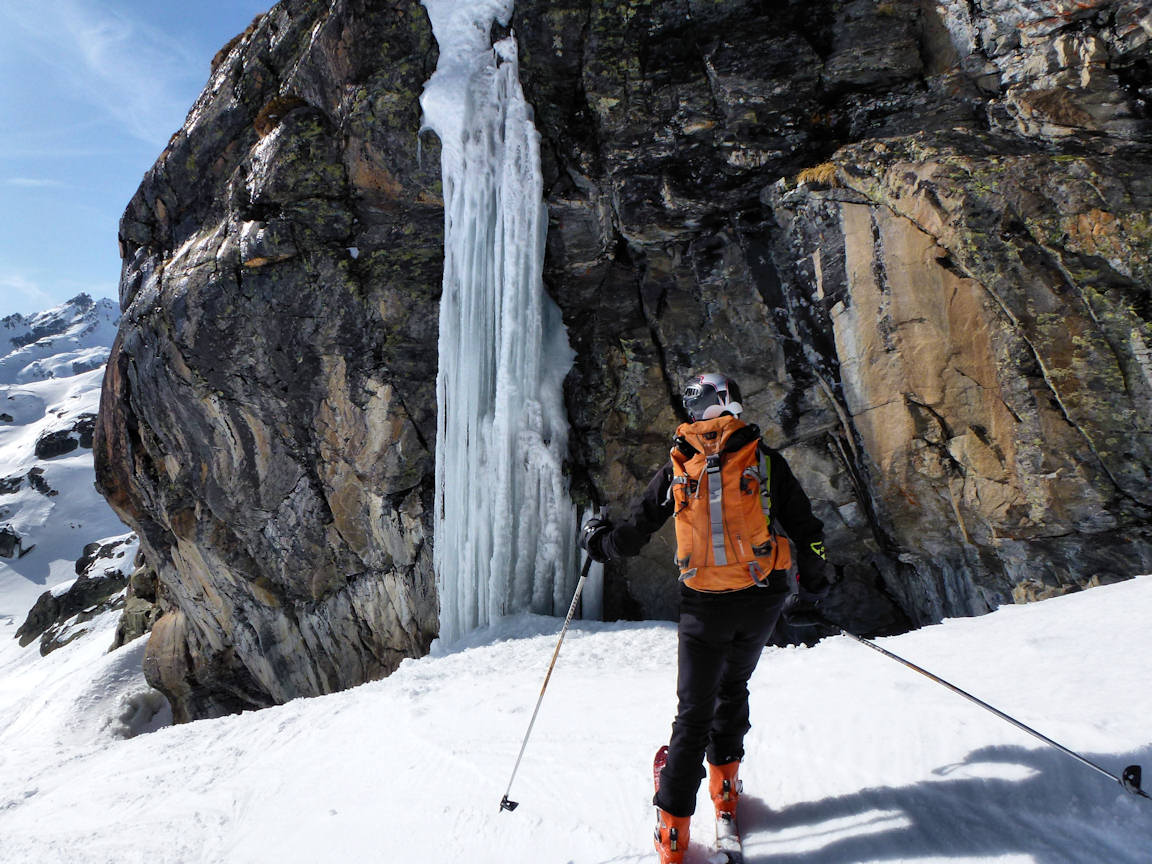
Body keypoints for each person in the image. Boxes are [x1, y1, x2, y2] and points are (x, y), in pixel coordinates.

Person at [579, 372, 832, 864]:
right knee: (733, 690)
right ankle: (726, 795)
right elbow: (808, 531)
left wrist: (598, 541)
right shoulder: (764, 461)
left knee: (692, 714)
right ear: (733, 404)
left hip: (702, 605)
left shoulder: (680, 463)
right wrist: (814, 589)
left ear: (694, 410)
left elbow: (633, 533)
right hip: (761, 597)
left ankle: (673, 833)